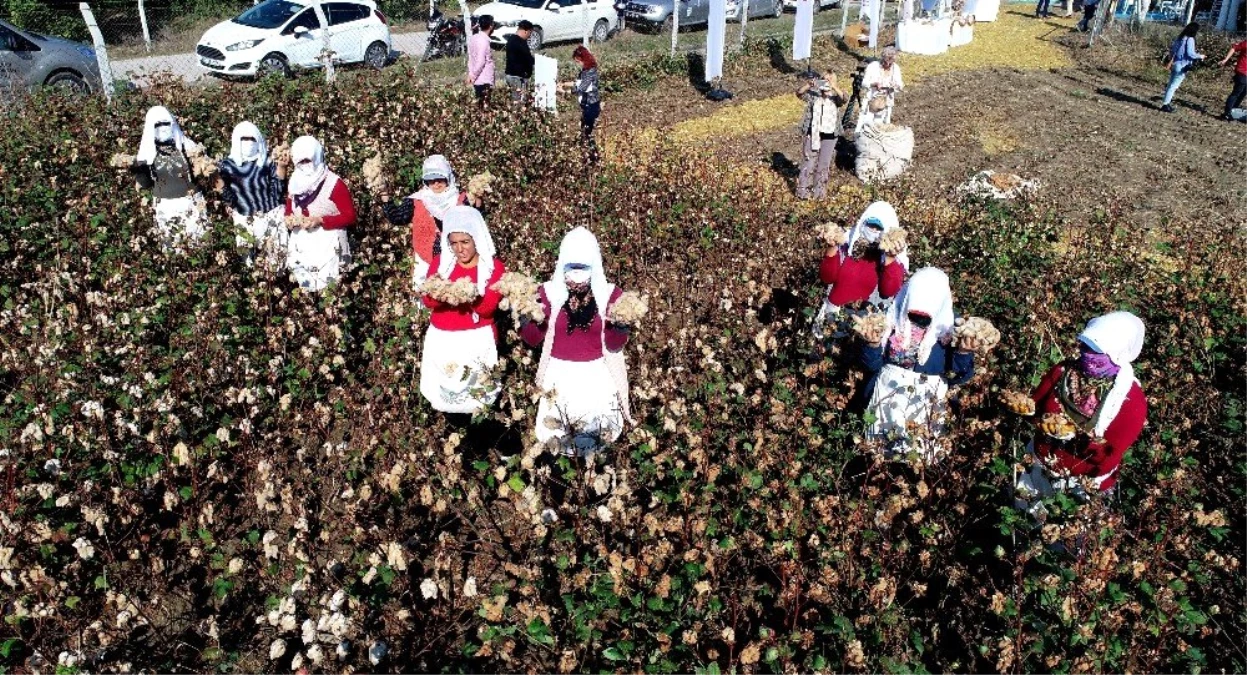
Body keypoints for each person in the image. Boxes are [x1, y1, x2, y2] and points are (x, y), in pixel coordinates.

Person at [1009, 312, 1147, 515]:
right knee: (1022, 522)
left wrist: (1080, 439)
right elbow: (1034, 410)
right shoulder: (1062, 372)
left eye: (1094, 350)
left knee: (1065, 540)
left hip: (1080, 486)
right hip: (1037, 467)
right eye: (1084, 346)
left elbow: (1108, 458)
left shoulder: (1131, 400)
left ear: (1116, 353)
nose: (1085, 353)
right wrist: (1022, 407)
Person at [521, 227, 632, 456]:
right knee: (559, 443)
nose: (577, 274)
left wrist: (621, 325)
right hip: (559, 380)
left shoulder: (610, 295)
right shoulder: (548, 294)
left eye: (584, 267)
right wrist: (527, 317)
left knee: (596, 445)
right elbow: (532, 340)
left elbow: (614, 344)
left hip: (597, 379)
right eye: (572, 266)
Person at [855, 267, 976, 461]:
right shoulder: (888, 321)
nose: (919, 321)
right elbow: (871, 366)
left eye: (925, 317)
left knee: (919, 461)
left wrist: (964, 352)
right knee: (879, 458)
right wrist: (872, 344)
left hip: (925, 405)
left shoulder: (953, 330)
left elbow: (958, 377)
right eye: (914, 314)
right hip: (886, 399)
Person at [418, 206, 506, 414]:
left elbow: (487, 308)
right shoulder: (441, 265)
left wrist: (469, 294)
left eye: (465, 242)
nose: (459, 249)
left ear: (477, 239)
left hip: (476, 340)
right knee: (445, 396)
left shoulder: (493, 268)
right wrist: (443, 292)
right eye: (454, 243)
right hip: (442, 340)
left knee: (477, 397)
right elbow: (428, 300)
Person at [814, 201, 908, 342]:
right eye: (871, 225)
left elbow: (888, 291)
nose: (874, 231)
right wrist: (832, 247)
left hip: (864, 326)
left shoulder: (893, 260)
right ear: (863, 222)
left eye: (879, 227)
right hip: (832, 316)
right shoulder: (847, 245)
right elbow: (827, 278)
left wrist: (889, 258)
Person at [379, 155, 482, 280]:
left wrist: (478, 198)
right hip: (423, 259)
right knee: (423, 293)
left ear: (448, 178)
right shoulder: (417, 200)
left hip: (455, 257)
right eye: (431, 180)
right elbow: (397, 218)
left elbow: (476, 221)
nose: (436, 183)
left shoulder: (461, 199)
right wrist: (385, 195)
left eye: (440, 178)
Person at [284, 136, 356, 292]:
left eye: (308, 161)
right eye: (300, 162)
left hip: (328, 246)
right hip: (303, 246)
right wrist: (289, 218)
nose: (305, 166)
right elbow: (290, 208)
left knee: (329, 292)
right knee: (305, 292)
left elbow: (350, 216)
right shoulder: (295, 183)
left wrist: (321, 220)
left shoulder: (334, 184)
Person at [130, 106, 207, 244]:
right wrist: (139, 170)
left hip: (192, 203)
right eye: (158, 125)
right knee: (172, 246)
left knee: (198, 243)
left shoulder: (187, 146)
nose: (163, 128)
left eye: (166, 123)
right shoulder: (147, 152)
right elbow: (145, 184)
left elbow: (205, 172)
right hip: (165, 207)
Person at [218, 121, 288, 263]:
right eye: (244, 139)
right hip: (244, 219)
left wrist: (282, 168)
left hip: (271, 216)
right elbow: (228, 198)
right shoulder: (227, 165)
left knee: (277, 261)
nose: (248, 142)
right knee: (248, 263)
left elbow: (278, 192)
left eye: (252, 139)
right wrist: (218, 183)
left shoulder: (267, 162)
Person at [796, 74, 847, 200]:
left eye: (830, 80)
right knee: (809, 160)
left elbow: (845, 98)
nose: (826, 83)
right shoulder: (814, 96)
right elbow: (799, 93)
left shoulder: (835, 98)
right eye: (825, 80)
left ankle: (819, 193)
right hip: (813, 133)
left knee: (824, 163)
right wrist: (809, 84)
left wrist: (834, 87)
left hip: (830, 135)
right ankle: (803, 192)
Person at [565, 45, 601, 164]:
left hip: (591, 106)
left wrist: (564, 91)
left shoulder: (590, 72)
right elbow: (578, 83)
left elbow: (581, 87)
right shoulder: (586, 70)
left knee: (587, 133)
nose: (577, 64)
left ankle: (593, 158)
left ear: (583, 59)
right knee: (585, 131)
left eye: (577, 61)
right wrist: (565, 83)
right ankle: (590, 156)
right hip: (588, 106)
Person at [856, 48, 903, 133]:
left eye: (890, 63)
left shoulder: (895, 68)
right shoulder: (873, 66)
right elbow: (864, 83)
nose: (887, 64)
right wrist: (874, 84)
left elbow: (900, 85)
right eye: (885, 62)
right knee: (866, 123)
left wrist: (895, 85)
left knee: (881, 126)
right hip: (872, 100)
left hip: (886, 102)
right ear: (882, 58)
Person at [1161, 23, 1204, 113]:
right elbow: (1190, 53)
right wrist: (1200, 56)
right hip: (1182, 65)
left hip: (1175, 64)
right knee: (1173, 86)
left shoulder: (1180, 38)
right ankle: (1166, 104)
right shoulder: (1190, 39)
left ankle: (1165, 103)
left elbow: (1172, 50)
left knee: (1170, 85)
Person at [466, 14, 496, 106]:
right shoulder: (484, 41)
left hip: (477, 79)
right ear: (490, 26)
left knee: (480, 105)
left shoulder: (474, 38)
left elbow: (471, 58)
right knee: (485, 107)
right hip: (484, 79)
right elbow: (480, 62)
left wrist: (471, 74)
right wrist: (473, 76)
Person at [504, 20, 535, 104]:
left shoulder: (511, 39)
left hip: (512, 75)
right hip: (517, 77)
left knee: (514, 100)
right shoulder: (519, 42)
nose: (529, 36)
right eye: (530, 33)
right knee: (518, 102)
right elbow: (527, 58)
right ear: (526, 31)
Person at [1218, 36, 1247, 121]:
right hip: (1242, 72)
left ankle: (1232, 112)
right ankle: (1226, 114)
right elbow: (1234, 48)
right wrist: (1225, 60)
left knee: (1242, 94)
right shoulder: (1246, 43)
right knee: (1236, 93)